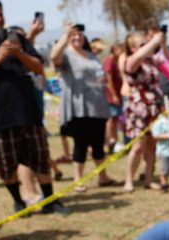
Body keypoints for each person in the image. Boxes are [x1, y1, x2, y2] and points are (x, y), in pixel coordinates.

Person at [0, 0, 68, 214]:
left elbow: (39, 67)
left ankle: (50, 200)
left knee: (39, 156)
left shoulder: (16, 38)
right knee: (6, 163)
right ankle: (18, 201)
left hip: (27, 111)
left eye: (0, 14)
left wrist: (19, 53)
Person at [51, 21, 114, 191]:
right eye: (74, 34)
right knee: (81, 143)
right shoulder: (66, 55)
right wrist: (66, 34)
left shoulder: (91, 55)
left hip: (97, 106)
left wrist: (102, 81)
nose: (77, 37)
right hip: (79, 108)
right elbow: (54, 57)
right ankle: (78, 179)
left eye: (80, 34)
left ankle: (103, 176)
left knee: (98, 143)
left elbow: (99, 74)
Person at [120, 27, 164, 192]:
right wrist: (153, 41)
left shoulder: (151, 62)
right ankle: (129, 180)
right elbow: (135, 59)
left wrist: (160, 42)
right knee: (138, 146)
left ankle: (148, 179)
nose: (147, 47)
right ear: (132, 48)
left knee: (151, 147)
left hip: (154, 109)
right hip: (139, 109)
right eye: (142, 45)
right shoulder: (130, 62)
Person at [103, 41, 124, 150]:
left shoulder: (117, 61)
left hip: (118, 94)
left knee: (115, 119)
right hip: (111, 96)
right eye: (120, 49)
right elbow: (109, 79)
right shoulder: (109, 61)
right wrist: (114, 95)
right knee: (111, 119)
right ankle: (109, 141)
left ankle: (115, 140)